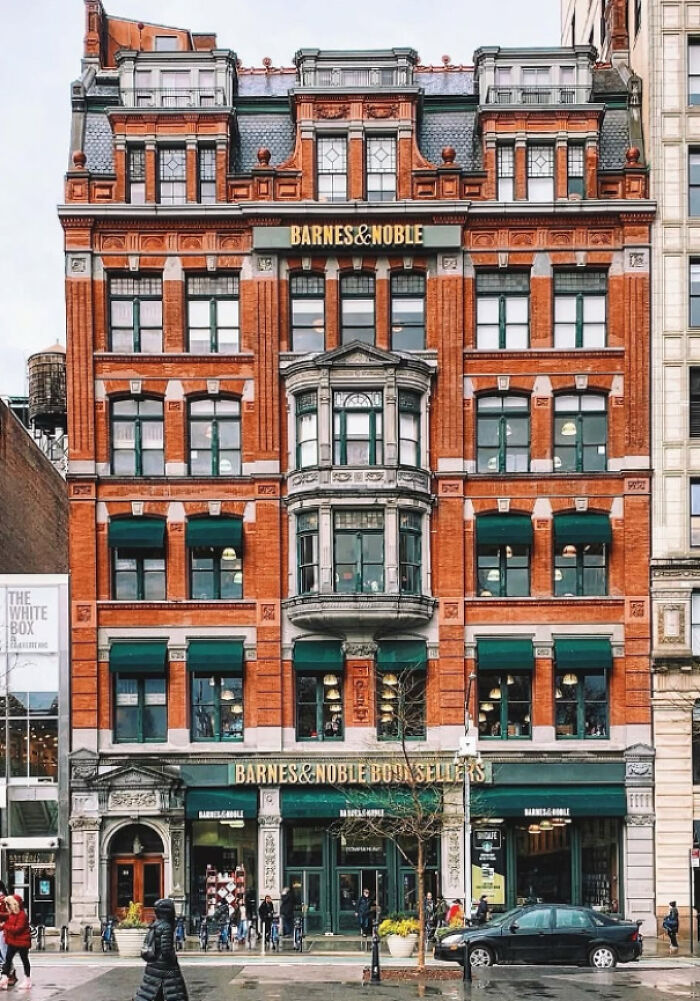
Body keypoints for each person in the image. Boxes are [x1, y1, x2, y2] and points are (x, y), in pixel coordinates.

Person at [133, 897, 188, 1001]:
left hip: (153, 965)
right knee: (174, 992)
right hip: (165, 968)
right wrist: (173, 960)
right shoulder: (166, 927)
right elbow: (166, 950)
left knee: (150, 991)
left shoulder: (155, 924)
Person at [0, 895, 31, 991]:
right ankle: (4, 978)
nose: (7, 907)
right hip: (12, 941)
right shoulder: (12, 914)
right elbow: (3, 916)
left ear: (15, 904)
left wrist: (5, 926)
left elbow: (17, 929)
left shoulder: (22, 915)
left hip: (22, 942)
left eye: (9, 904)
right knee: (8, 960)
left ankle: (27, 980)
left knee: (24, 960)